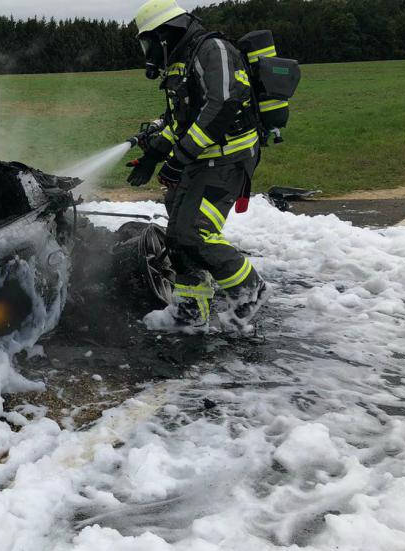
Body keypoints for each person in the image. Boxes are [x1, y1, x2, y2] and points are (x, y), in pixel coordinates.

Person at [127, 0, 269, 332]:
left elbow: (222, 106)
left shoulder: (212, 49)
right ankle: (192, 309)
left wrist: (179, 159)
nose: (148, 50)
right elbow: (182, 121)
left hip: (228, 158)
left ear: (164, 34)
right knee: (177, 238)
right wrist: (154, 155)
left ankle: (251, 291)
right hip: (203, 158)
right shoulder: (182, 61)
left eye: (148, 41)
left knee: (196, 232)